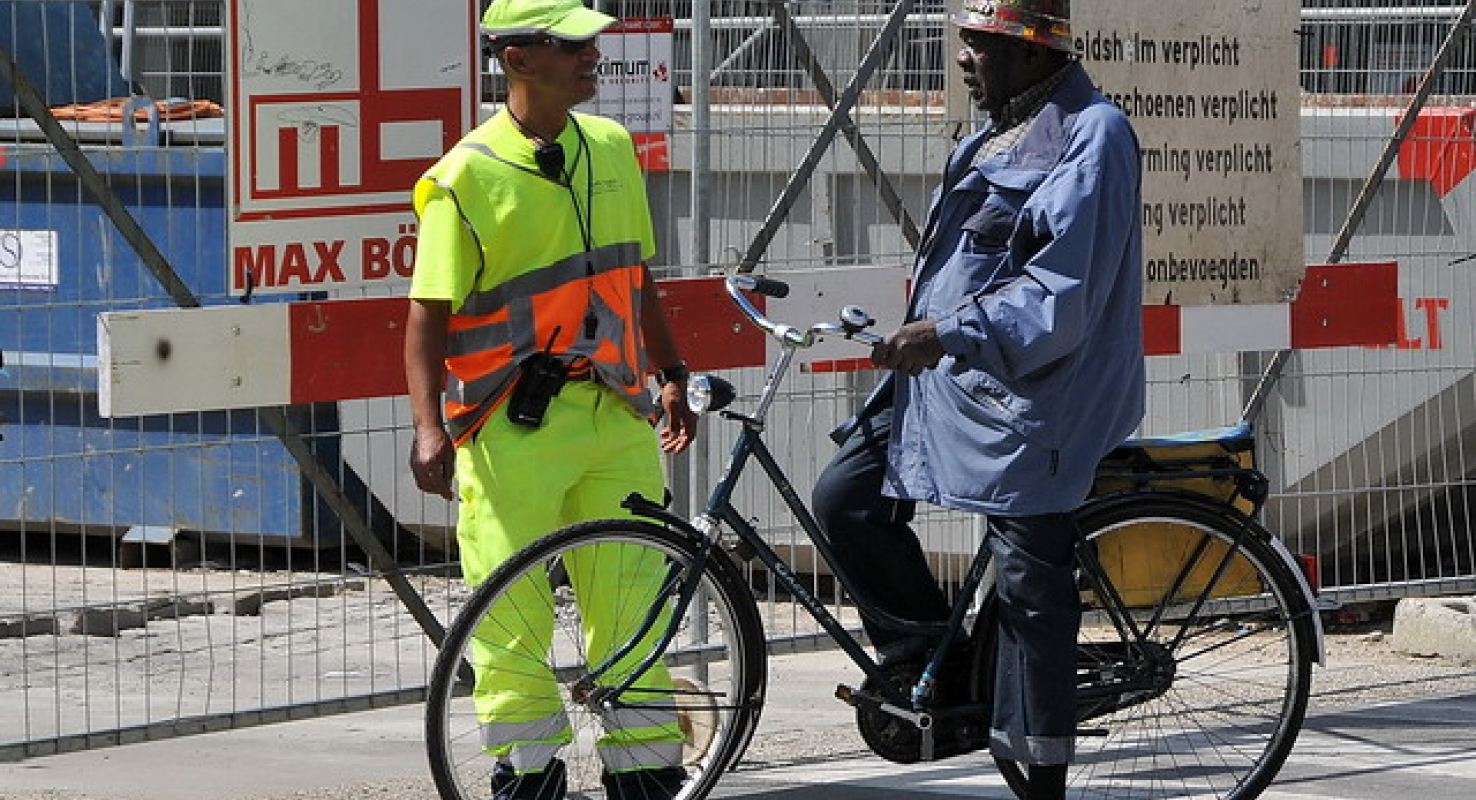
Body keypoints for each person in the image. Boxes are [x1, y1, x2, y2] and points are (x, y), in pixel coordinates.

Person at [811, 2, 1145, 799]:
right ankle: (940, 661)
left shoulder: (1092, 134)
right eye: (965, 39)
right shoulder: (990, 134)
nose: (963, 57)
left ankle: (1041, 773)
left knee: (1030, 584)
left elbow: (1057, 298)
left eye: (981, 43)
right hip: (954, 380)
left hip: (1038, 398)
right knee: (847, 496)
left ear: (1033, 55)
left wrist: (948, 330)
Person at [403, 1, 697, 798]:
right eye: (570, 45)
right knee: (511, 616)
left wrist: (671, 373)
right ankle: (528, 777)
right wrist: (428, 428)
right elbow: (426, 315)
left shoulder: (610, 147)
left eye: (591, 43)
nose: (591, 57)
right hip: (510, 427)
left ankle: (644, 776)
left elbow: (635, 279)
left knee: (633, 600)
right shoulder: (463, 177)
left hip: (616, 416)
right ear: (517, 59)